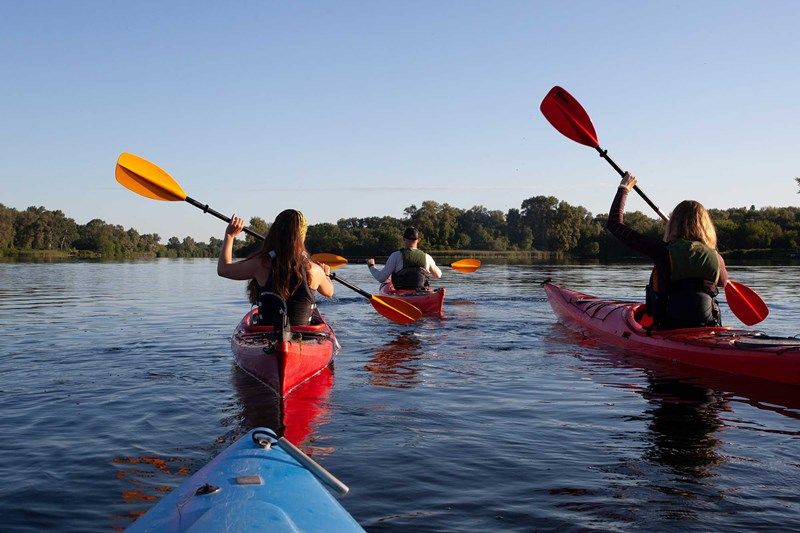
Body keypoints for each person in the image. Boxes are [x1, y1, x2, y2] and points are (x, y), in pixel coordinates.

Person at [606, 172, 728, 329]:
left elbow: (614, 224)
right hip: (708, 327)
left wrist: (624, 187)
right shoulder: (717, 258)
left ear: (673, 224)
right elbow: (723, 283)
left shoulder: (662, 251)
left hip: (668, 328)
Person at [217, 209, 333, 325]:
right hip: (304, 336)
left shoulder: (260, 264)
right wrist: (325, 274)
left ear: (275, 231)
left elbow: (223, 269)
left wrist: (230, 235)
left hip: (266, 334)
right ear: (303, 235)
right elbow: (329, 292)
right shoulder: (314, 270)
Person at [367, 226, 442, 290]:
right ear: (418, 240)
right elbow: (438, 275)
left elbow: (381, 278)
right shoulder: (427, 257)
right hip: (422, 293)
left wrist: (371, 266)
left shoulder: (396, 256)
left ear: (404, 239)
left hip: (401, 295)